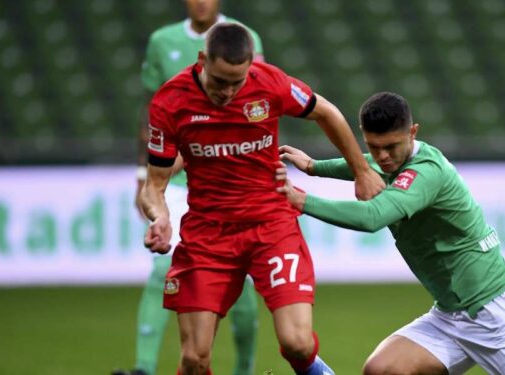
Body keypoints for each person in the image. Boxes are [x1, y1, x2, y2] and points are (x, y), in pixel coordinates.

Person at [140, 23, 385, 375]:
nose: (227, 92)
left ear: (250, 66)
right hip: (208, 235)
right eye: (219, 81)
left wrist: (361, 170)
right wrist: (159, 217)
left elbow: (326, 112)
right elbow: (155, 184)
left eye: (236, 83)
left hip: (271, 225)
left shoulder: (269, 83)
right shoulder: (170, 102)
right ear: (201, 59)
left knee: (297, 343)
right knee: (194, 359)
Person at [277, 92, 505, 375]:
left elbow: (373, 216)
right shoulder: (389, 161)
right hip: (450, 316)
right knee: (382, 369)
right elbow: (366, 164)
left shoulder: (427, 171)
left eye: (392, 146)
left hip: (497, 314)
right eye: (374, 146)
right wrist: (314, 167)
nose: (383, 156)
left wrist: (300, 200)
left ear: (413, 132)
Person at [115, 2, 265, 375]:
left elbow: (260, 103)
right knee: (162, 268)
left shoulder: (243, 37)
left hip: (229, 178)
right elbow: (151, 111)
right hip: (178, 177)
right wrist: (143, 174)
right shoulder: (161, 41)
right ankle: (144, 368)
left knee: (242, 283)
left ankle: (244, 369)